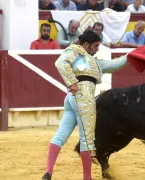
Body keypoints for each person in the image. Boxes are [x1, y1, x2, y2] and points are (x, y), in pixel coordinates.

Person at [42, 29, 129, 180]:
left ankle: (48, 172)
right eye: (95, 46)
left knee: (61, 135)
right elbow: (60, 62)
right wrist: (72, 82)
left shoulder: (94, 62)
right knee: (87, 139)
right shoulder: (76, 50)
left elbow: (115, 64)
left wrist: (132, 55)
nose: (97, 49)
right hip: (83, 99)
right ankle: (87, 178)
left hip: (72, 99)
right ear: (86, 44)